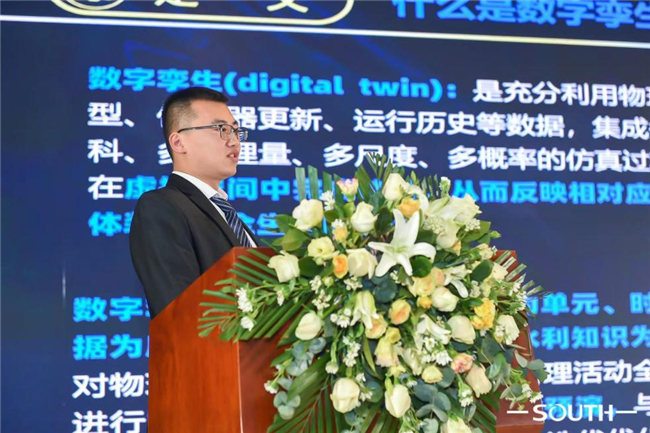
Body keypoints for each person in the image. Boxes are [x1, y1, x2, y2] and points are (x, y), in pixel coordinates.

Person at [130, 87, 259, 318]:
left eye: (236, 130)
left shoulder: (226, 213)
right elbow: (180, 310)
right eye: (221, 129)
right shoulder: (161, 206)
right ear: (179, 142)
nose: (234, 141)